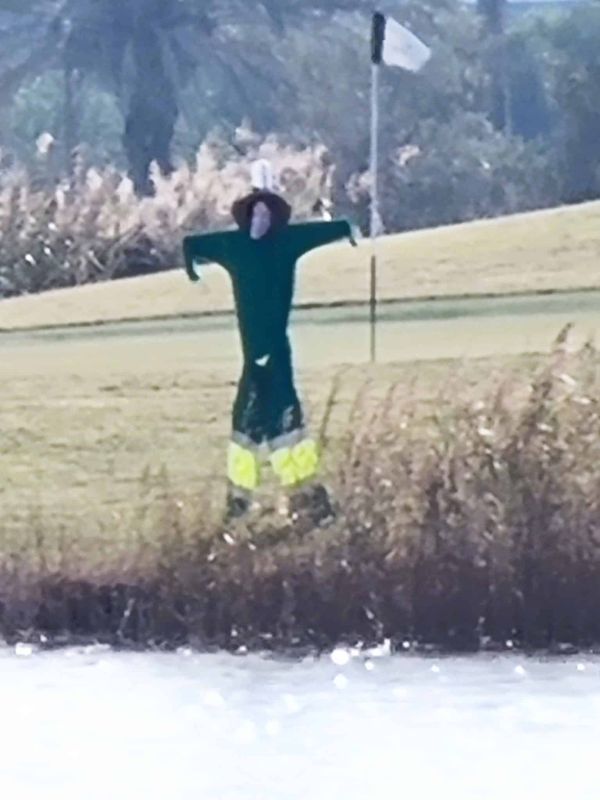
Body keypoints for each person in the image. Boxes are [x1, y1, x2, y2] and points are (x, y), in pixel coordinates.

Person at [183, 160, 355, 521]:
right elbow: (193, 244)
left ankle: (304, 499)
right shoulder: (234, 246)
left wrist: (345, 230)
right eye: (256, 213)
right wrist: (192, 270)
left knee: (284, 423)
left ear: (274, 217)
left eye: (266, 214)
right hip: (254, 357)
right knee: (249, 427)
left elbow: (326, 231)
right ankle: (249, 503)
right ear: (248, 215)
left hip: (275, 353)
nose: (260, 220)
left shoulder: (285, 243)